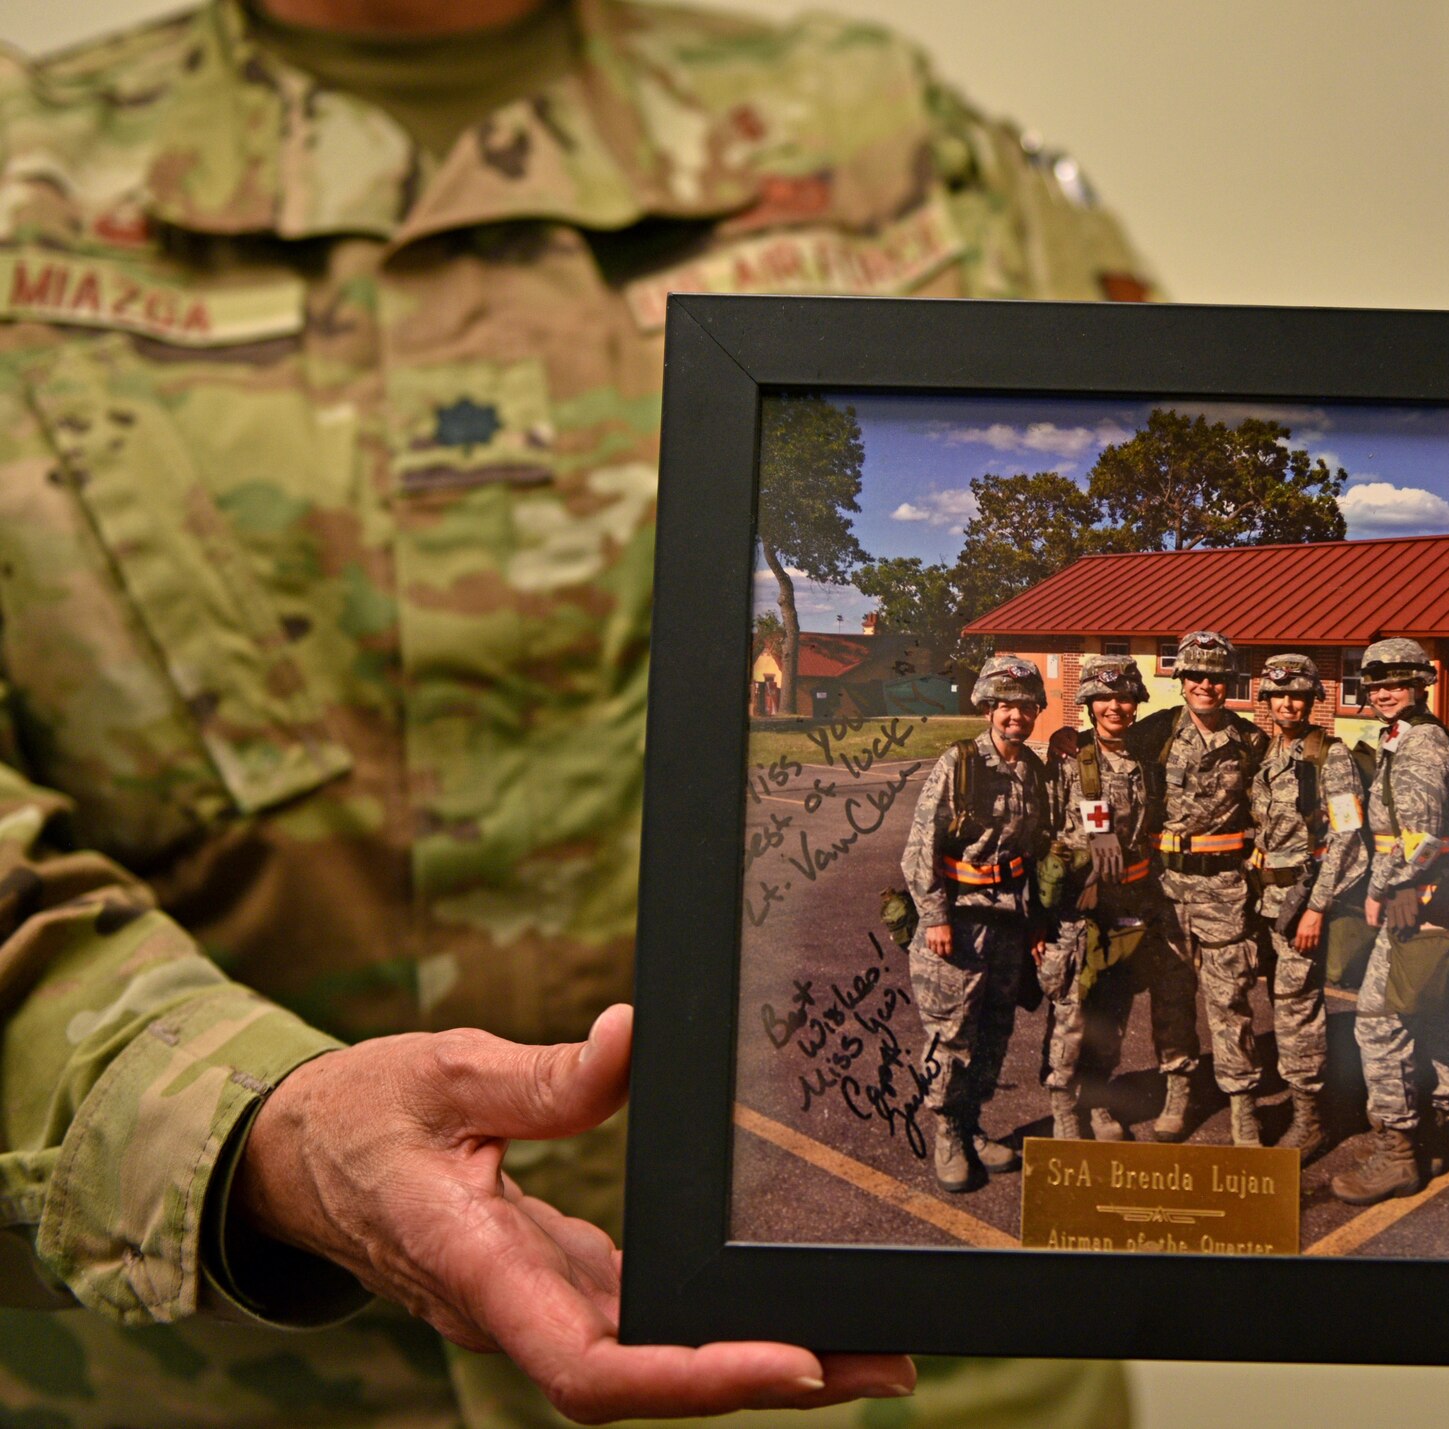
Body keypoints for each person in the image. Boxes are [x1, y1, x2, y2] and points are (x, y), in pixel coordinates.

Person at [0, 1, 1145, 1424]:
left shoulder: (887, 150)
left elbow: (1161, 506)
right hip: (239, 1371)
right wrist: (258, 1124)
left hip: (888, 1366)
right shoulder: (19, 187)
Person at [1330, 637, 1449, 1205]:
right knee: (1438, 1010)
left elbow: (1419, 843)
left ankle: (1398, 1152)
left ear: (1421, 684)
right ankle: (1436, 1127)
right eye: (1375, 683)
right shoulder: (1408, 735)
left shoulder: (1419, 748)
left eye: (1397, 681)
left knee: (1379, 1019)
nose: (1385, 691)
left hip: (1420, 894)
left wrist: (1381, 889)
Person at [899, 656, 1051, 1192]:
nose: (1016, 715)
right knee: (952, 1033)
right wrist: (935, 917)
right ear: (987, 707)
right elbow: (920, 850)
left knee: (994, 1030)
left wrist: (1034, 923)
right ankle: (946, 1132)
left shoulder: (1031, 770)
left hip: (1008, 921)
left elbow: (1033, 854)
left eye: (1026, 706)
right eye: (1006, 705)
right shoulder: (960, 763)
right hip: (959, 921)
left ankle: (973, 1123)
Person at [1040, 654, 1200, 1142]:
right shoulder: (1069, 759)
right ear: (1088, 704)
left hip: (1133, 903)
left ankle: (1109, 1098)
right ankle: (1066, 1106)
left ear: (1136, 705)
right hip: (1080, 907)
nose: (1115, 706)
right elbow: (1046, 829)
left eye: (1125, 698)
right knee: (1074, 1014)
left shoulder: (1147, 762)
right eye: (1104, 698)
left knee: (1120, 1011)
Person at [1125, 631, 1269, 1146]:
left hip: (1225, 890)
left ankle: (1243, 1106)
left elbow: (1273, 810)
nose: (1206, 684)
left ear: (1230, 682)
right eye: (1196, 675)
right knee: (1169, 997)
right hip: (1165, 888)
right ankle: (1178, 1091)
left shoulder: (1252, 743)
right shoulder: (1153, 734)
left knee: (1230, 1002)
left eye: (1217, 677)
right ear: (1181, 680)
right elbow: (1101, 761)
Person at [1244, 654, 1371, 1160]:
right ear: (1267, 701)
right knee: (1277, 1001)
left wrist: (1317, 908)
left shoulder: (1330, 757)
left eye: (1297, 694)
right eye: (1278, 695)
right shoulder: (1268, 749)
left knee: (1297, 1008)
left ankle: (1308, 1119)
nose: (1287, 703)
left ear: (1313, 699)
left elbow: (1347, 836)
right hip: (1261, 898)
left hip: (1300, 901)